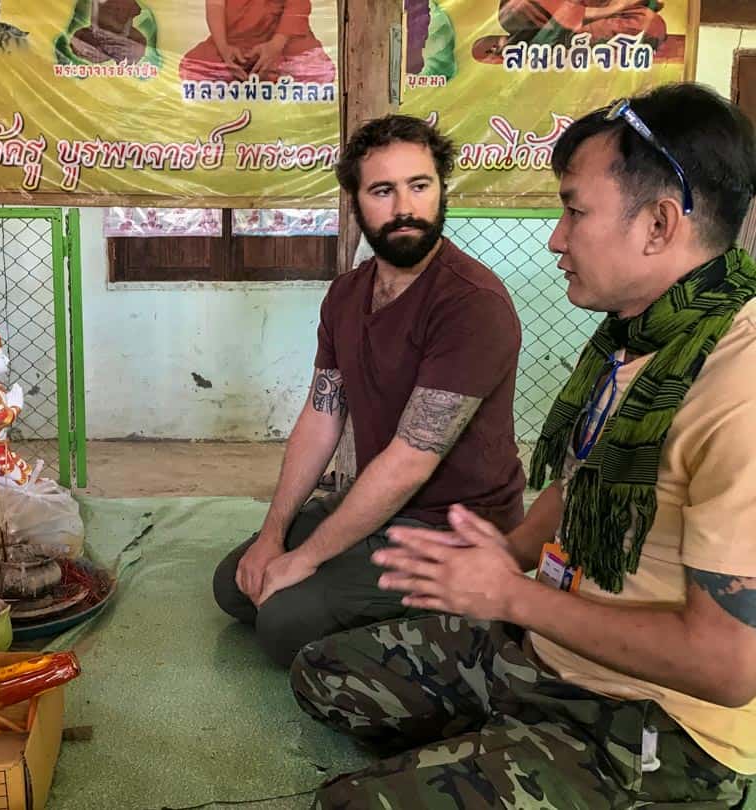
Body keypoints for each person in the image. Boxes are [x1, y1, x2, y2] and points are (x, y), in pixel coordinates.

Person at [291, 83, 756, 808]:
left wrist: (510, 595)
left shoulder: (738, 384)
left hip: (654, 725)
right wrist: (503, 557)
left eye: (574, 210)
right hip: (545, 650)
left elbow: (730, 667)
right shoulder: (635, 341)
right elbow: (577, 487)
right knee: (319, 671)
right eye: (381, 189)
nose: (556, 238)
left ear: (660, 224)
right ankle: (503, 738)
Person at [212, 115, 526, 668]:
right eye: (383, 190)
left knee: (284, 623)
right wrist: (273, 535)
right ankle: (360, 576)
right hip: (382, 510)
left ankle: (465, 612)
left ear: (440, 190)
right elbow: (320, 418)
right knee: (234, 584)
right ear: (355, 201)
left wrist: (306, 558)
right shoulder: (345, 296)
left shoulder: (471, 302)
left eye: (420, 186)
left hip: (452, 528)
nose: (405, 207)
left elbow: (410, 462)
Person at [179, 0, 335, 83]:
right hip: (234, 44)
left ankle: (266, 75)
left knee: (320, 72)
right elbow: (215, 5)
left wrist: (275, 45)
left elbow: (297, 5)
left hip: (284, 39)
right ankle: (260, 75)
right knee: (192, 69)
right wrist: (224, 49)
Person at [498, 0, 667, 49]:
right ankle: (544, 38)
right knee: (517, 6)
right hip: (550, 13)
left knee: (652, 25)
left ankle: (547, 38)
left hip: (602, 16)